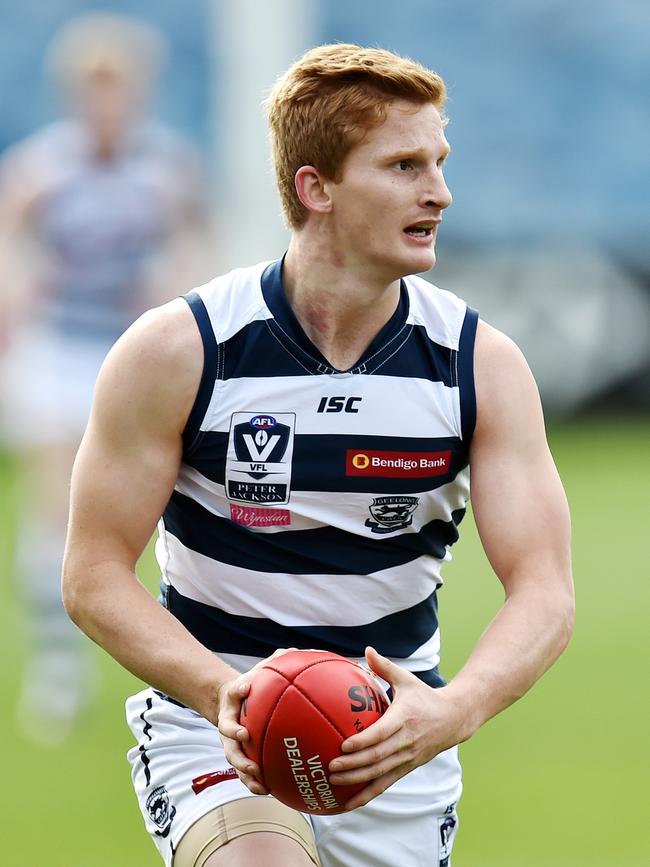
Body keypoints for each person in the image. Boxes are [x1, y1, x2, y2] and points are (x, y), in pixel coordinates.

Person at [62, 44, 574, 866]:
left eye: (439, 163)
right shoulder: (181, 350)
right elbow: (91, 574)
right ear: (317, 187)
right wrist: (221, 694)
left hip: (395, 744)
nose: (439, 192)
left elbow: (546, 588)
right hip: (215, 735)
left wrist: (456, 709)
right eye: (404, 165)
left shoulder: (481, 366)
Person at [0, 13, 209, 745]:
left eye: (117, 87)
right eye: (94, 88)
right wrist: (15, 298)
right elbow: (9, 244)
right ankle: (59, 668)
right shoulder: (41, 168)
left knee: (151, 504)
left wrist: (168, 287)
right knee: (57, 501)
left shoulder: (166, 169)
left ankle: (167, 654)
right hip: (57, 346)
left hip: (130, 355)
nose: (106, 102)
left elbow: (192, 247)